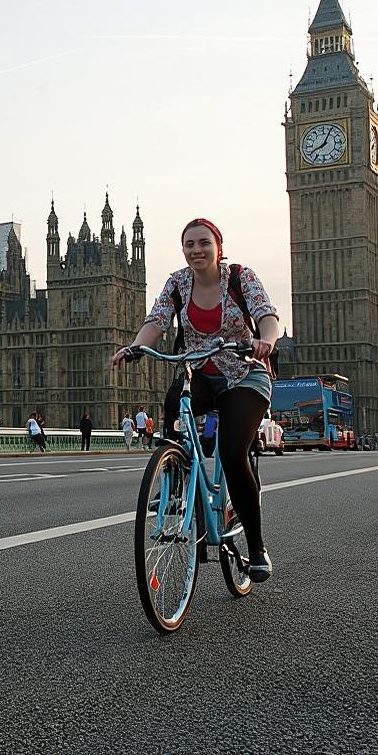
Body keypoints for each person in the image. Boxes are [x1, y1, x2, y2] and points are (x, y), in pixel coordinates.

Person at [112, 217, 280, 582]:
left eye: (203, 242)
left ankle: (256, 547)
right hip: (200, 370)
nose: (196, 250)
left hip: (244, 372)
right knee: (175, 405)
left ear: (218, 246)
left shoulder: (241, 278)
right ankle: (175, 480)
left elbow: (268, 316)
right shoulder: (177, 283)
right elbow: (156, 321)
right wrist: (136, 347)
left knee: (233, 454)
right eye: (189, 244)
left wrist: (265, 339)